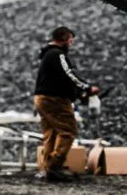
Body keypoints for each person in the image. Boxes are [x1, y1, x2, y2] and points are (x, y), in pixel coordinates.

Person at [34, 25, 99, 182]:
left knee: (51, 133)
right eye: (70, 39)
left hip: (42, 98)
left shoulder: (48, 54)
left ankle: (47, 168)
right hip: (54, 99)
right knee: (68, 130)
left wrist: (77, 94)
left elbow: (60, 79)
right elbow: (68, 75)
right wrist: (87, 87)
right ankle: (55, 167)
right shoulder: (58, 54)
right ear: (63, 39)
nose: (72, 43)